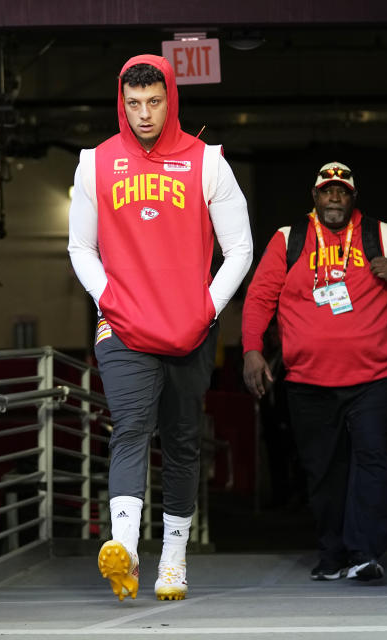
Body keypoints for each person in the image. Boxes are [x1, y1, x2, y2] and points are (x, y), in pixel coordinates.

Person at [67, 54, 253, 602]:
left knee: (180, 439)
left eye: (153, 102)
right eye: (133, 104)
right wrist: (110, 299)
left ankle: (172, 559)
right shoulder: (94, 164)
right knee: (129, 427)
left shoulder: (208, 163)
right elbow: (81, 246)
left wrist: (207, 306)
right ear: (120, 104)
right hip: (123, 325)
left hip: (190, 327)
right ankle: (123, 549)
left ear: (171, 100)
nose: (144, 114)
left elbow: (239, 248)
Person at [242, 162, 387, 582]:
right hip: (308, 381)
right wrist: (253, 351)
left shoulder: (381, 235)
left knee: (371, 462)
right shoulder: (287, 239)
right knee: (323, 469)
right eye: (327, 191)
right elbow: (258, 299)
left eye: (342, 192)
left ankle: (365, 553)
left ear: (353, 199)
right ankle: (333, 554)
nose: (334, 198)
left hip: (372, 378)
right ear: (314, 197)